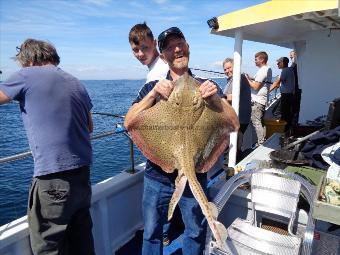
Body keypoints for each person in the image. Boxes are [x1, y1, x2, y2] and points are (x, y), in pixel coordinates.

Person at [124, 27, 239, 255]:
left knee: (195, 231)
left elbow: (233, 123)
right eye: (169, 47)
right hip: (157, 175)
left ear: (188, 47)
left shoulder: (206, 87)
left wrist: (215, 99)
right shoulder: (152, 88)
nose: (177, 49)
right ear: (163, 55)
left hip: (195, 171)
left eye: (181, 44)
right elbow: (130, 122)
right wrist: (154, 95)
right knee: (152, 232)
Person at [0, 39, 95, 255]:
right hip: (82, 176)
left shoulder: (27, 74)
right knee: (82, 241)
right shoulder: (76, 82)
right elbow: (90, 127)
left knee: (48, 246)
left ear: (30, 59)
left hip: (53, 179)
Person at [223, 58, 251, 162]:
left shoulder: (238, 78)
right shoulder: (234, 79)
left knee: (232, 148)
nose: (227, 71)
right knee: (235, 147)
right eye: (225, 69)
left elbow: (233, 96)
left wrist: (219, 97)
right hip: (239, 118)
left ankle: (233, 173)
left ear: (235, 67)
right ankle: (238, 167)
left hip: (239, 119)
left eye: (229, 67)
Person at [245, 51, 272, 146]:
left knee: (256, 122)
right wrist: (251, 78)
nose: (255, 61)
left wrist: (246, 79)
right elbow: (260, 82)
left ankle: (261, 143)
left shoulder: (263, 70)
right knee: (260, 122)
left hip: (257, 101)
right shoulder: (266, 69)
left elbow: (255, 87)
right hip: (262, 101)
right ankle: (263, 140)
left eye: (256, 59)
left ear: (262, 59)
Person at [270, 57, 295, 131]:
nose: (277, 64)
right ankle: (286, 129)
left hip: (286, 96)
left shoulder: (285, 70)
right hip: (289, 95)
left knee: (277, 112)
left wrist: (267, 92)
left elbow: (277, 82)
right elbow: (281, 82)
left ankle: (282, 129)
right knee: (286, 113)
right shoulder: (289, 70)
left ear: (283, 63)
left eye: (278, 63)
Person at [290, 49, 301, 126]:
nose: (291, 59)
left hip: (295, 92)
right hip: (297, 91)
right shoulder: (296, 66)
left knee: (295, 109)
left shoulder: (294, 66)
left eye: (292, 57)